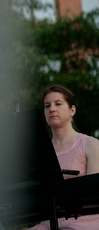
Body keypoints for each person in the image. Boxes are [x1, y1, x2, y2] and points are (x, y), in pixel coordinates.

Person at [29, 84, 99, 229]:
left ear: (72, 110)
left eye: (58, 104)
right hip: (49, 223)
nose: (52, 109)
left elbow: (94, 197)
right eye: (47, 106)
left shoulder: (91, 144)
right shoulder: (39, 154)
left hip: (82, 222)